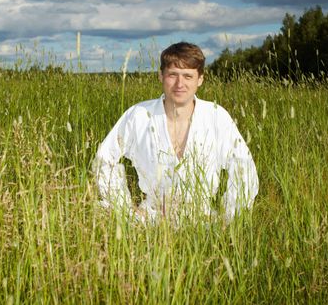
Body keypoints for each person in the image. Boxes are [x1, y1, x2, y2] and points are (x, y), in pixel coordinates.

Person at [93, 42, 258, 223]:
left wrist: (229, 218)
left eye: (188, 76)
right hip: (149, 218)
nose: (180, 84)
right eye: (173, 75)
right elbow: (104, 159)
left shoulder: (217, 116)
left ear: (200, 79)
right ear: (161, 76)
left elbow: (244, 168)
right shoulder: (138, 115)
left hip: (203, 220)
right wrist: (123, 206)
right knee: (103, 210)